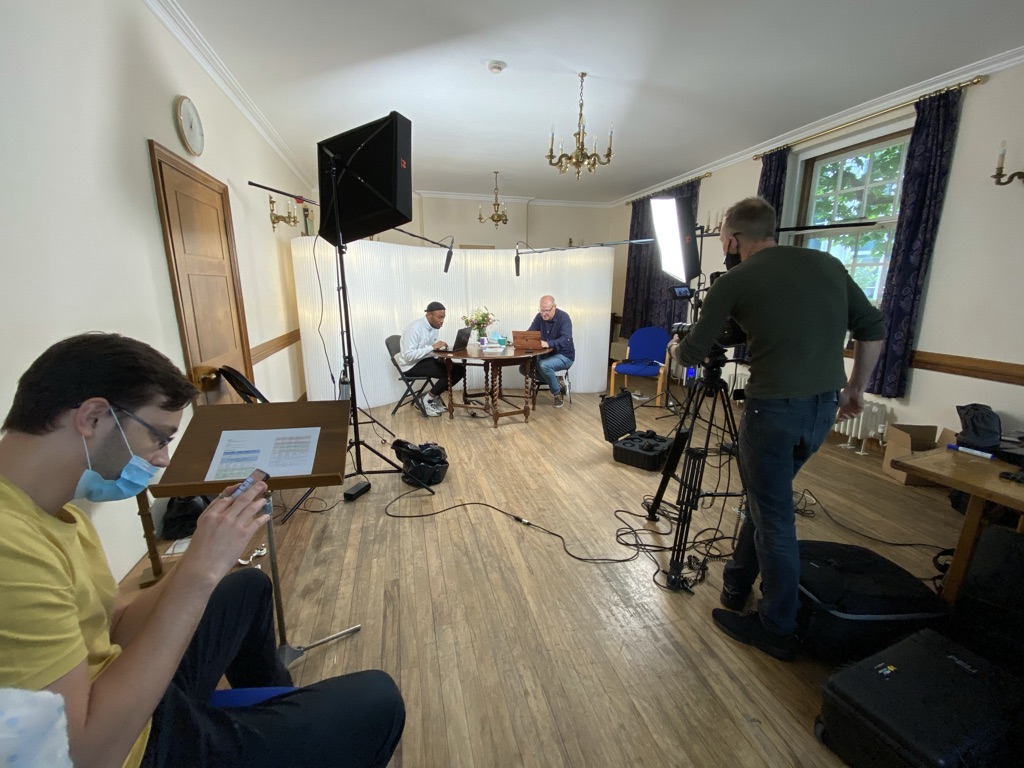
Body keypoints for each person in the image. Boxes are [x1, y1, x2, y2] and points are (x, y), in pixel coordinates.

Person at [0, 333, 405, 768]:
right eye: (159, 437)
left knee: (247, 587)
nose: (161, 459)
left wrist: (203, 554)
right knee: (377, 699)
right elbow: (88, 754)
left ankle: (272, 723)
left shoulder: (60, 515)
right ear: (94, 418)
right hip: (131, 746)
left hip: (120, 686)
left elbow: (115, 628)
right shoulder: (12, 550)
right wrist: (200, 574)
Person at [668, 197, 884, 662]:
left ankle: (776, 627)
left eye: (724, 239)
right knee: (767, 501)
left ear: (732, 238)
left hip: (772, 412)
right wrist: (855, 390)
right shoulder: (828, 264)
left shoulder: (737, 279)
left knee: (775, 520)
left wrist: (675, 347)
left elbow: (692, 352)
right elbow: (875, 327)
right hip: (825, 408)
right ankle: (735, 584)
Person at [395, 301, 465, 417]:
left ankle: (433, 397)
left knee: (459, 370)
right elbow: (408, 355)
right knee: (449, 372)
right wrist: (432, 347)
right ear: (429, 315)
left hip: (424, 360)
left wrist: (440, 354)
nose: (442, 321)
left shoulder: (434, 327)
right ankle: (426, 401)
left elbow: (429, 350)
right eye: (440, 317)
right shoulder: (414, 329)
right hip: (411, 365)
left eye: (443, 317)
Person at [521, 295, 575, 408]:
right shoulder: (539, 317)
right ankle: (557, 380)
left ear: (554, 307)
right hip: (546, 354)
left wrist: (548, 343)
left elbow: (566, 339)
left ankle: (557, 393)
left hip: (564, 355)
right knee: (523, 368)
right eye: (541, 310)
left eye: (546, 311)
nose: (544, 313)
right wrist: (521, 339)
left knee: (543, 365)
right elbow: (530, 333)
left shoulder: (564, 318)